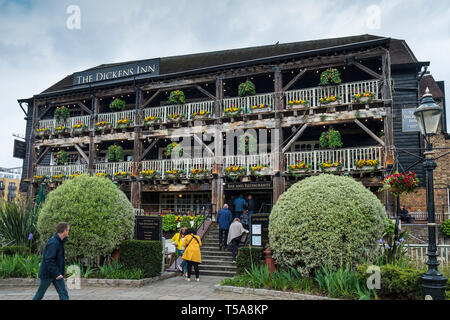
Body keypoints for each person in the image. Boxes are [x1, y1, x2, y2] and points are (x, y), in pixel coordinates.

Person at [32, 222, 70, 300]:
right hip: (48, 274)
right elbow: (49, 260)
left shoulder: (59, 242)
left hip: (56, 274)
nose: (69, 231)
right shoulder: (53, 243)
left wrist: (58, 273)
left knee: (63, 293)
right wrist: (57, 273)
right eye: (68, 230)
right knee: (40, 294)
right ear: (64, 231)